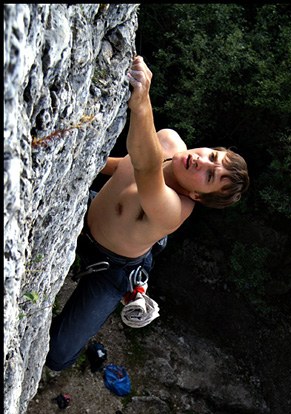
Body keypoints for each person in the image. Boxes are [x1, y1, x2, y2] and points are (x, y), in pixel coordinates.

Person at [45, 55, 249, 371]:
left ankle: (136, 281)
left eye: (209, 176)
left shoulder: (175, 210)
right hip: (90, 213)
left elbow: (146, 166)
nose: (202, 162)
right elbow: (126, 165)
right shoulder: (169, 140)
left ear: (197, 195)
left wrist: (141, 105)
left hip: (110, 268)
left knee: (58, 356)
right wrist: (86, 163)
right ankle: (150, 253)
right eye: (211, 157)